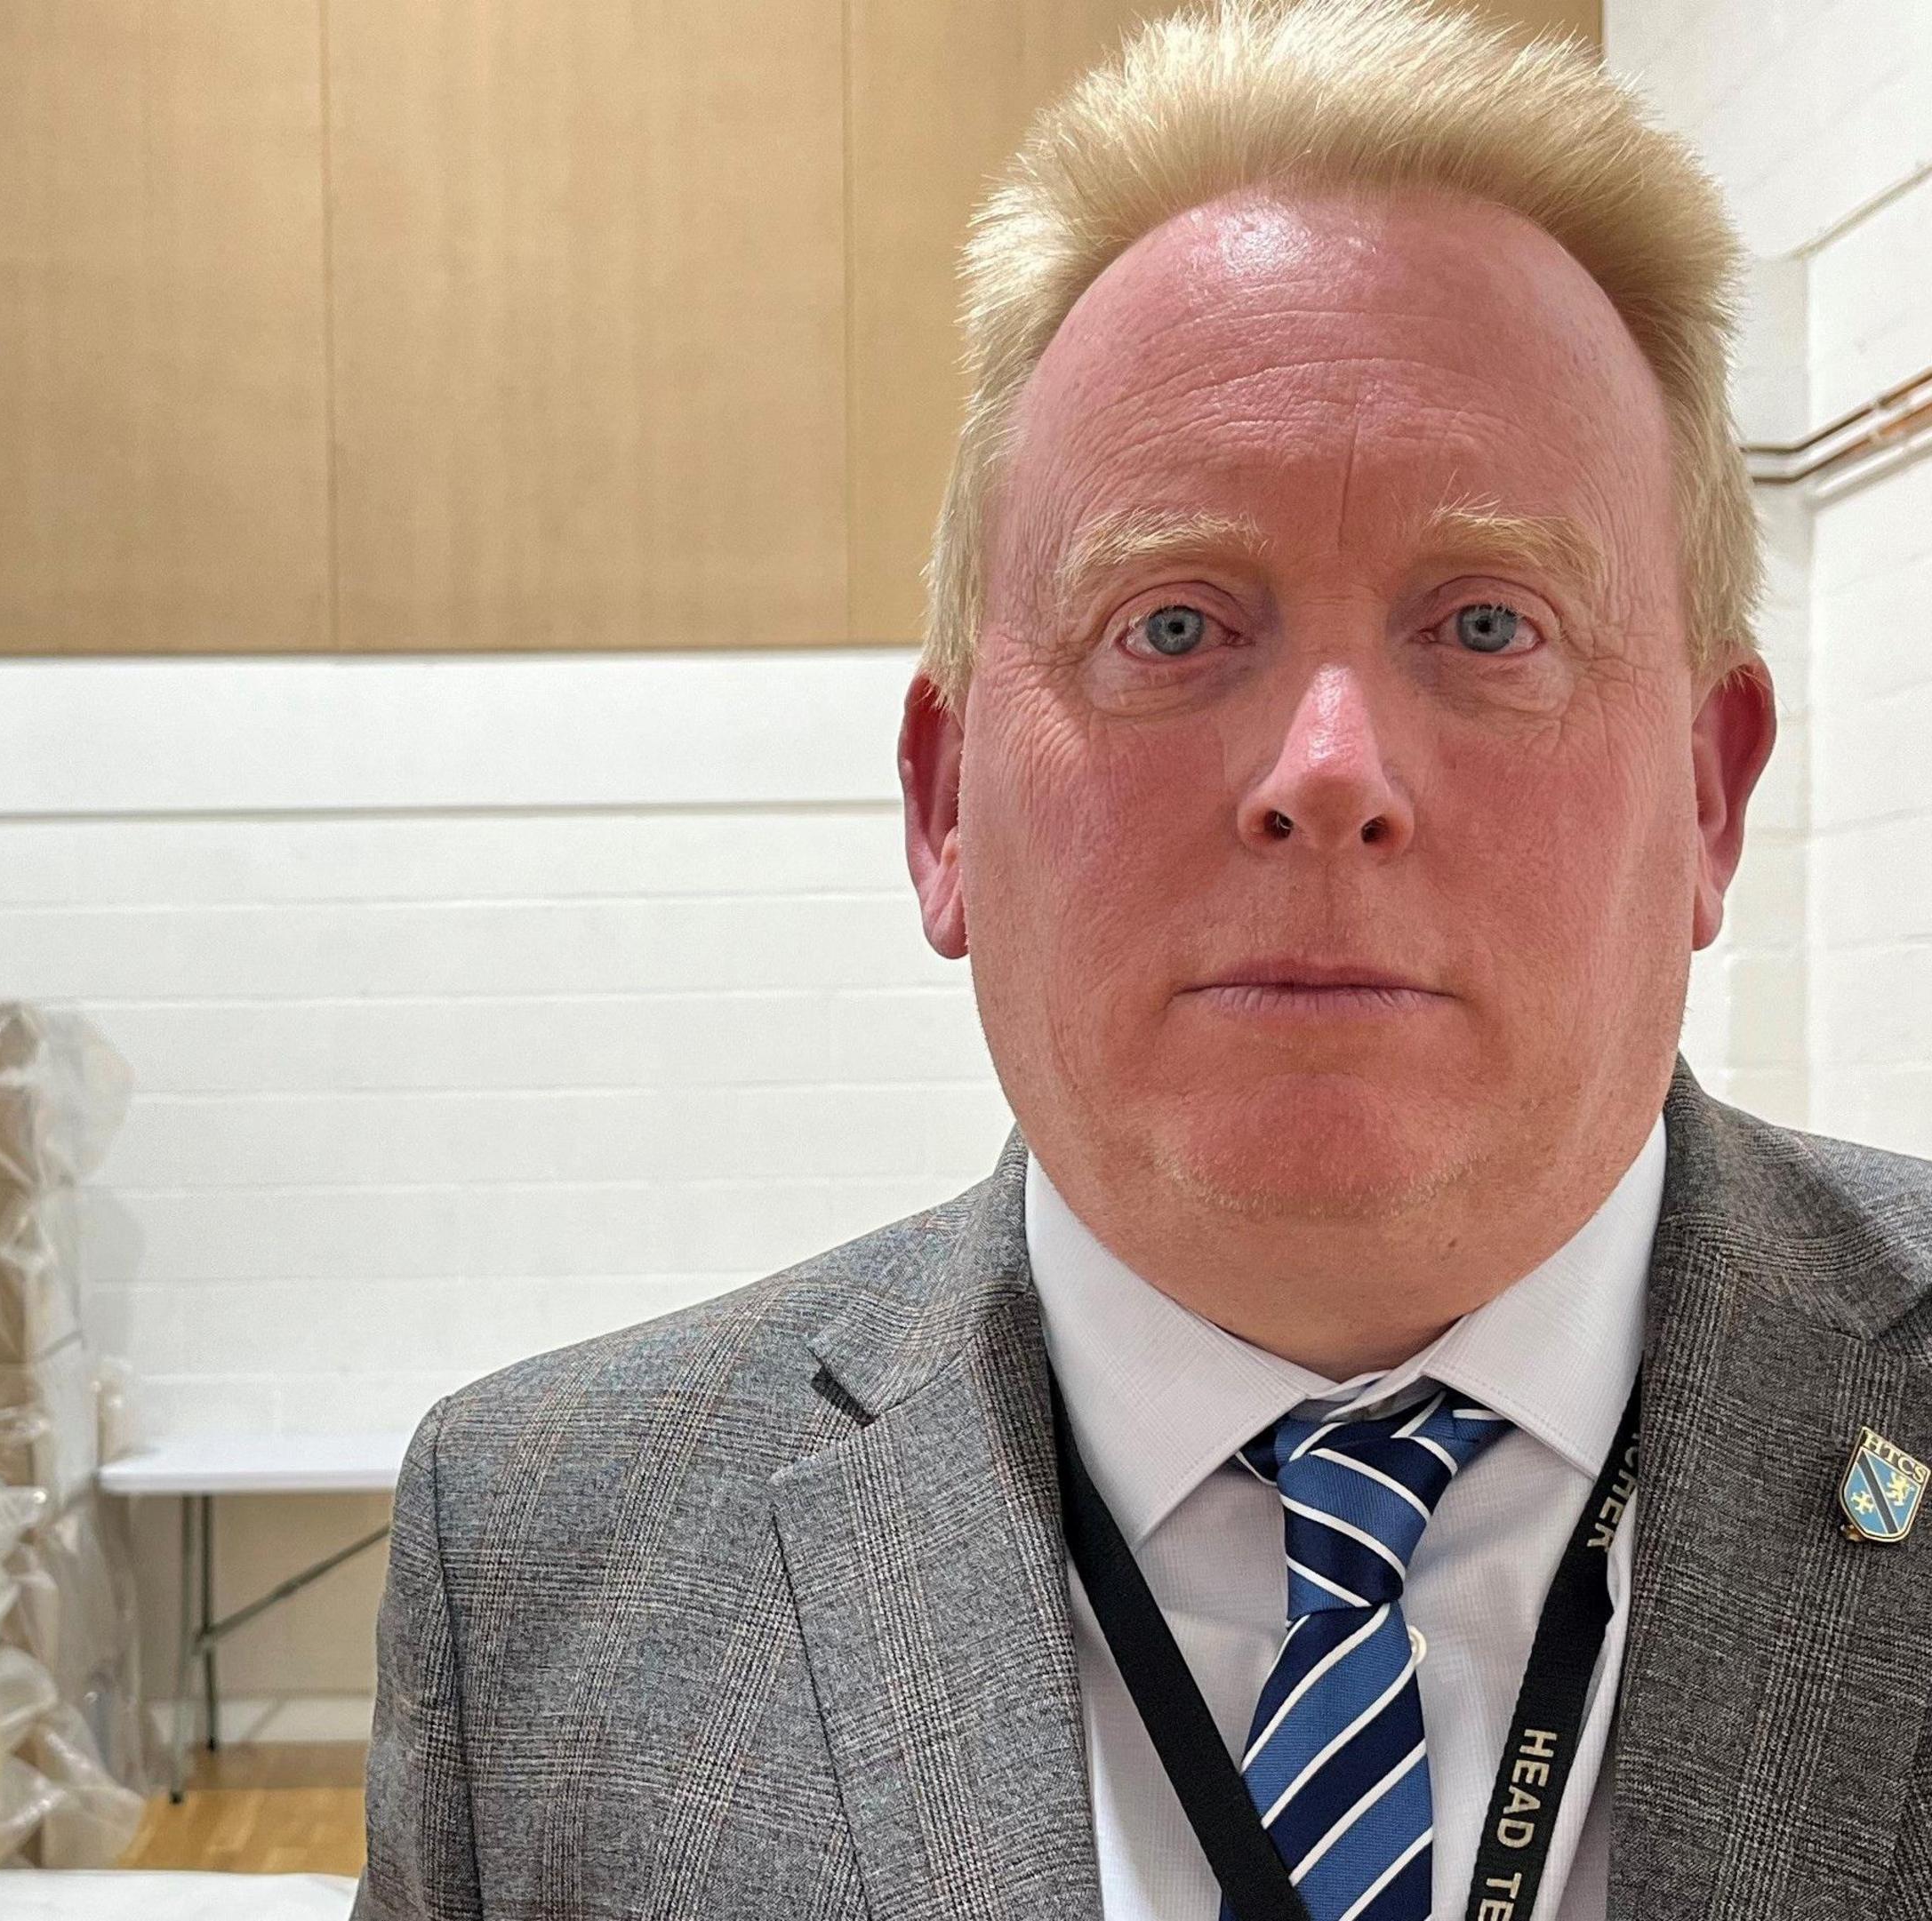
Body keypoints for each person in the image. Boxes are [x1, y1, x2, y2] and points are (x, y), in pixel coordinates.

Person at [350, 4, 1912, 1917]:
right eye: (1174, 626)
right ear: (943, 811)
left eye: (1487, 621)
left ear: (1708, 792)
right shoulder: (536, 1564)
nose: (1328, 771)